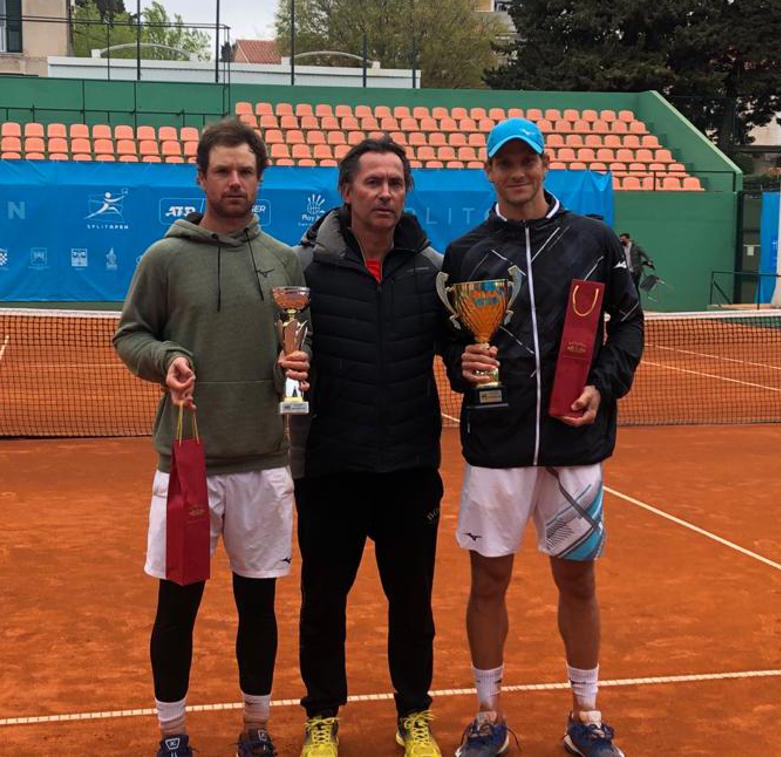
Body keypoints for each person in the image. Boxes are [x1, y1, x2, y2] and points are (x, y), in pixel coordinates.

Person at [441, 118, 643, 757]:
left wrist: (601, 386)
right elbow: (453, 345)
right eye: (506, 163)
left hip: (573, 447)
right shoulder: (466, 252)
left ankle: (586, 713)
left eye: (527, 161)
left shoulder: (593, 239)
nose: (518, 172)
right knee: (487, 584)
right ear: (489, 171)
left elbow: (628, 328)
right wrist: (461, 365)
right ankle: (486, 713)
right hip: (496, 448)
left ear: (544, 165)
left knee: (578, 583)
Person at [113, 117, 310, 757]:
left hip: (264, 461)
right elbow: (131, 334)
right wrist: (166, 357)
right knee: (178, 608)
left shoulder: (285, 261)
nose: (234, 181)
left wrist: (302, 363)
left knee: (259, 609)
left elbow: (306, 345)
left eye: (245, 171)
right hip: (189, 462)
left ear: (260, 180)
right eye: (222, 170)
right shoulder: (164, 258)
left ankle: (256, 728)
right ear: (200, 178)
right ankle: (173, 732)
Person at [291, 137, 451, 757]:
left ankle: (414, 714)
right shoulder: (303, 270)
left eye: (396, 183)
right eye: (373, 182)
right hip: (332, 469)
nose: (385, 193)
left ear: (406, 193)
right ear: (346, 191)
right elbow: (280, 364)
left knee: (412, 605)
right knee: (323, 602)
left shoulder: (434, 271)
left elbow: (458, 360)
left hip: (411, 469)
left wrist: (474, 362)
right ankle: (322, 716)